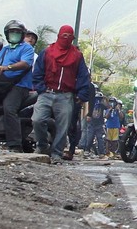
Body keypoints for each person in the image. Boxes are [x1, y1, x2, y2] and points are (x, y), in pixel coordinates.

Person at [31, 25, 93, 162]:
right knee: (37, 119)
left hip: (66, 95)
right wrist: (41, 88)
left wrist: (82, 95)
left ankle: (56, 153)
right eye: (63, 36)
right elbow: (37, 72)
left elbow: (83, 76)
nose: (66, 39)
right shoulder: (47, 52)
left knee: (63, 126)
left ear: (72, 38)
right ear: (59, 36)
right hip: (46, 93)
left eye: (69, 36)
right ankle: (42, 145)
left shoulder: (76, 56)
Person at [0, 20, 36, 152]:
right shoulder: (3, 50)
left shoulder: (26, 48)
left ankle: (15, 144)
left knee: (9, 108)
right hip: (1, 85)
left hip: (19, 86)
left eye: (17, 32)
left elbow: (25, 64)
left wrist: (7, 67)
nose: (14, 35)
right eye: (12, 32)